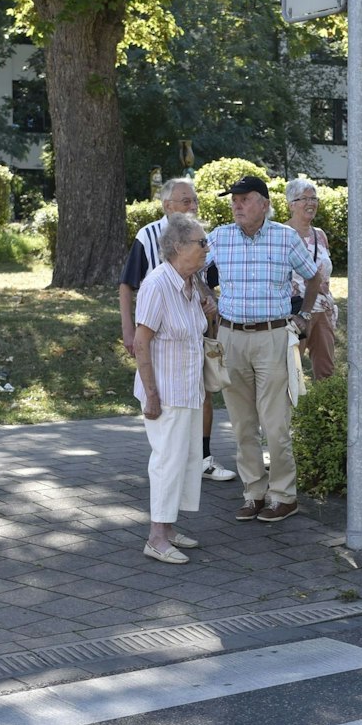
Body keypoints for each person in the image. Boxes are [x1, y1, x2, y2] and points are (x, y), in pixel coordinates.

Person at [207, 174, 318, 522]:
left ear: (265, 204)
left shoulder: (285, 238)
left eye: (244, 198)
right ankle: (254, 493)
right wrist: (208, 298)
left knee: (275, 425)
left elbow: (313, 276)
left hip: (273, 336)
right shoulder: (219, 237)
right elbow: (192, 271)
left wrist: (304, 315)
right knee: (242, 425)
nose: (236, 204)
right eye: (234, 199)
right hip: (230, 338)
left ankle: (284, 496)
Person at [120, 177, 234, 482]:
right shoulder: (147, 236)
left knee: (201, 392)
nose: (193, 205)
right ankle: (171, 460)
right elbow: (126, 283)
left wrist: (209, 302)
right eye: (186, 201)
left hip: (193, 328)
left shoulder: (199, 237)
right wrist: (129, 330)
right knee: (167, 407)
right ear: (167, 205)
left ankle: (202, 457)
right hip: (159, 330)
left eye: (195, 200)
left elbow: (207, 283)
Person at [133, 214, 211, 563]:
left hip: (189, 388)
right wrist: (151, 395)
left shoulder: (192, 283)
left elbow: (196, 333)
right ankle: (155, 538)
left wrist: (210, 307)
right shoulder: (158, 284)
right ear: (178, 246)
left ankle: (167, 528)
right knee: (167, 462)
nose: (206, 248)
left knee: (186, 460)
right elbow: (141, 343)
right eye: (201, 242)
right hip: (165, 392)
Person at [284, 177, 337, 381]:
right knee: (291, 372)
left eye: (314, 198)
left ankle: (324, 403)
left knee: (326, 372)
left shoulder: (320, 235)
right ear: (291, 204)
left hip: (322, 310)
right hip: (295, 312)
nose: (311, 203)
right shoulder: (281, 234)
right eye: (304, 198)